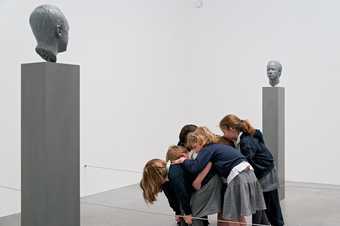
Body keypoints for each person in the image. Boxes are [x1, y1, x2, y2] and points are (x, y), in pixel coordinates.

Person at [174, 127, 266, 226]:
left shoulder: (208, 149)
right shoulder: (217, 147)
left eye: (195, 147)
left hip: (238, 176)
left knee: (232, 216)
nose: (195, 151)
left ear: (200, 140)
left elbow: (196, 166)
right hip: (249, 174)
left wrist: (183, 160)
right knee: (238, 214)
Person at [219, 114, 284, 226]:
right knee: (261, 205)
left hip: (266, 175)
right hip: (264, 172)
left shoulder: (246, 141)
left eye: (224, 131)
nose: (224, 135)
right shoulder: (245, 137)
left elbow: (247, 162)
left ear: (231, 129)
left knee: (270, 207)